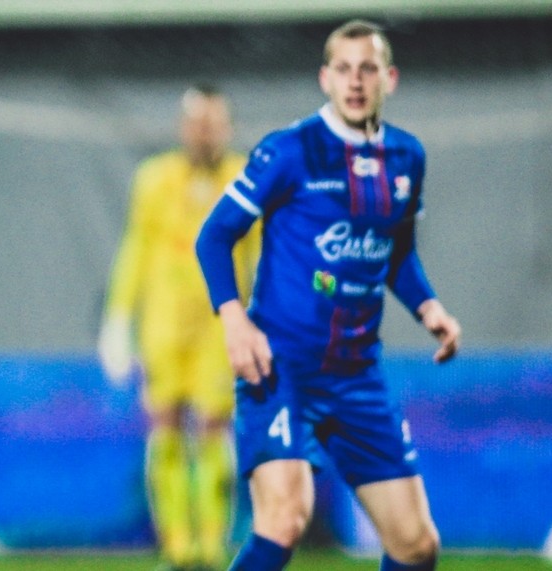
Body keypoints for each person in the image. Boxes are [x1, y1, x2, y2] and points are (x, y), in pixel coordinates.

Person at [195, 20, 461, 571]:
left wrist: (428, 306)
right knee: (284, 519)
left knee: (416, 546)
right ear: (325, 79)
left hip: (358, 374)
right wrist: (235, 320)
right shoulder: (289, 151)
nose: (355, 81)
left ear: (390, 78)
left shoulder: (407, 157)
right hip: (281, 368)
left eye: (367, 69)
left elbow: (395, 251)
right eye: (343, 69)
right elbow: (214, 237)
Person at [99, 83, 258, 571]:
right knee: (164, 427)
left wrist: (271, 319)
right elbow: (136, 249)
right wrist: (118, 317)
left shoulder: (247, 180)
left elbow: (265, 255)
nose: (205, 132)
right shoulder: (154, 179)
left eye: (214, 123)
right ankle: (176, 548)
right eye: (197, 123)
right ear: (184, 127)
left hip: (219, 324)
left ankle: (210, 547)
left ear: (227, 128)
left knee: (213, 428)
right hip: (164, 324)